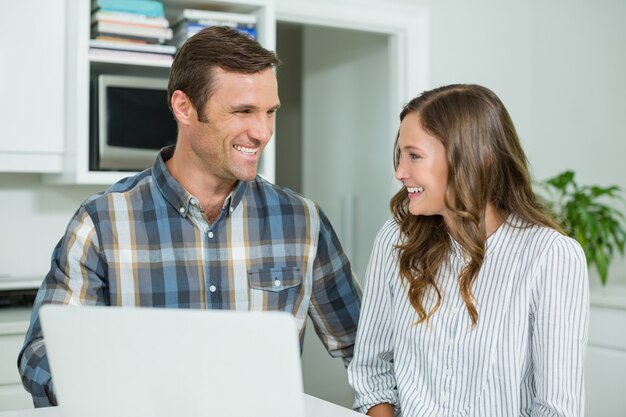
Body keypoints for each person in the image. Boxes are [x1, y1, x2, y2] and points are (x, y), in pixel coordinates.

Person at [19, 26, 361, 407]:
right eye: (243, 111)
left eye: (270, 112)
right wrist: (114, 392)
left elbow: (366, 347)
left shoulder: (303, 221)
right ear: (184, 107)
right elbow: (39, 354)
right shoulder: (102, 221)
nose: (263, 132)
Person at [347, 84, 589, 417]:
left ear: (479, 157)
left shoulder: (551, 256)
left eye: (414, 155)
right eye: (401, 155)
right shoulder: (394, 240)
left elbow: (555, 409)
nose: (400, 172)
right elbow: (372, 372)